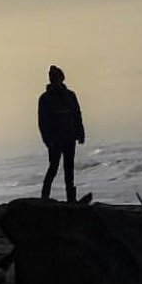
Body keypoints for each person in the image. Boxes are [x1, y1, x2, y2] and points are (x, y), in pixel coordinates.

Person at [38, 65, 85, 203]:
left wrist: (80, 132)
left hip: (69, 137)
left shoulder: (70, 95)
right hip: (55, 139)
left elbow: (77, 114)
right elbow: (42, 121)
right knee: (53, 167)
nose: (55, 79)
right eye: (52, 77)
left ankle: (71, 198)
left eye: (57, 77)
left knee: (69, 169)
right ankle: (44, 197)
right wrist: (47, 140)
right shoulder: (45, 98)